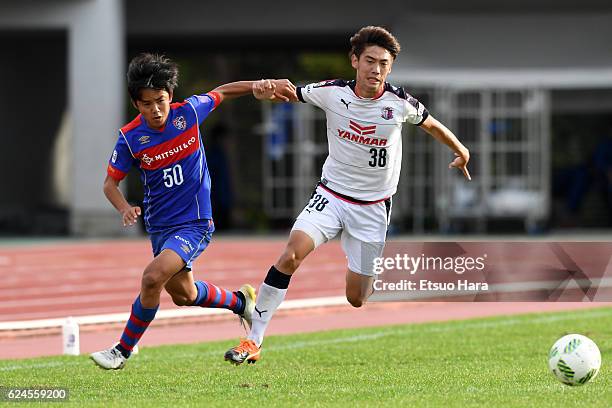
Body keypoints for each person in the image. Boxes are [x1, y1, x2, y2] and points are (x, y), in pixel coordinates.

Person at [224, 26, 471, 365]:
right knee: (291, 255)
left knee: (357, 298)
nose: (376, 69)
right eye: (370, 61)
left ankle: (370, 271)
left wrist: (461, 150)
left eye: (384, 64)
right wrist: (265, 88)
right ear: (354, 60)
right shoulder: (331, 92)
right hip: (331, 195)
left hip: (372, 209)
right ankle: (253, 340)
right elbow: (288, 91)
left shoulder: (400, 103)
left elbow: (431, 124)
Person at [90, 53, 294, 370]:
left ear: (170, 96)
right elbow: (109, 184)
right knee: (183, 295)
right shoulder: (130, 139)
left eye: (160, 100)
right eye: (146, 104)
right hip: (159, 228)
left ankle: (121, 351)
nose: (155, 110)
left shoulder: (188, 113)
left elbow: (222, 92)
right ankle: (242, 302)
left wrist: (257, 86)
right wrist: (124, 207)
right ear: (136, 104)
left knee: (151, 277)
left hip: (194, 222)